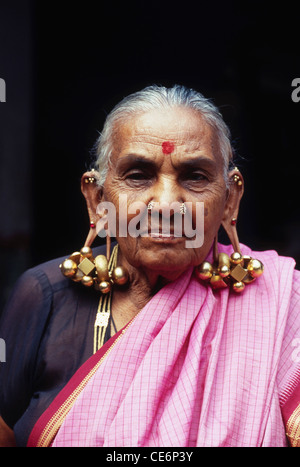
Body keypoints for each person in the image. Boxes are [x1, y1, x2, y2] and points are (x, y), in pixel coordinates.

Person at [0, 84, 299, 447]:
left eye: (195, 176)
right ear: (97, 200)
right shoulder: (45, 295)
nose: (168, 203)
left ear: (230, 200)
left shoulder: (281, 303)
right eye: (138, 175)